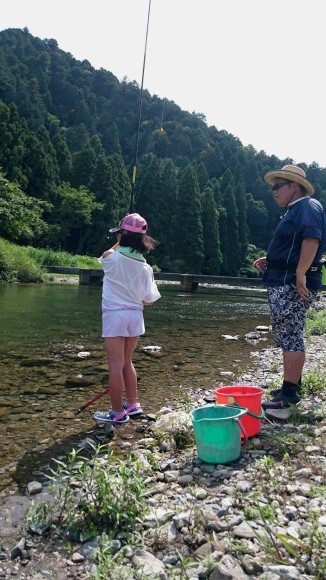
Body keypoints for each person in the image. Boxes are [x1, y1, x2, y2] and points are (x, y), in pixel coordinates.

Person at [254, 165, 326, 419]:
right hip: (283, 278)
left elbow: (311, 239)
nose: (274, 191)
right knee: (286, 333)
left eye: (277, 186)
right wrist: (271, 259)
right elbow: (295, 245)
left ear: (293, 187)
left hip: (291, 283)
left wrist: (300, 274)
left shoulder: (307, 206)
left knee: (291, 334)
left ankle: (289, 394)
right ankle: (290, 385)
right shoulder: (294, 210)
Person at [94, 213, 161, 426]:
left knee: (115, 365)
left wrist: (121, 238)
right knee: (126, 362)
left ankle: (116, 413)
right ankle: (132, 405)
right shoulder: (146, 267)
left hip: (115, 315)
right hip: (135, 316)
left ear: (122, 236)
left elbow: (107, 254)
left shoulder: (110, 258)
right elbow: (149, 300)